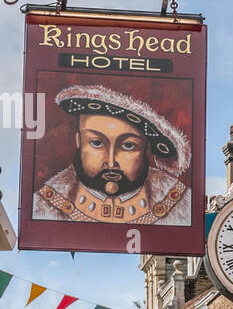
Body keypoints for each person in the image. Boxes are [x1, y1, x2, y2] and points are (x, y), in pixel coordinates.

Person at [33, 84, 191, 227]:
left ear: (147, 148)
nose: (110, 162)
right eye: (96, 143)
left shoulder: (181, 204)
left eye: (128, 145)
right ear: (79, 141)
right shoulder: (44, 204)